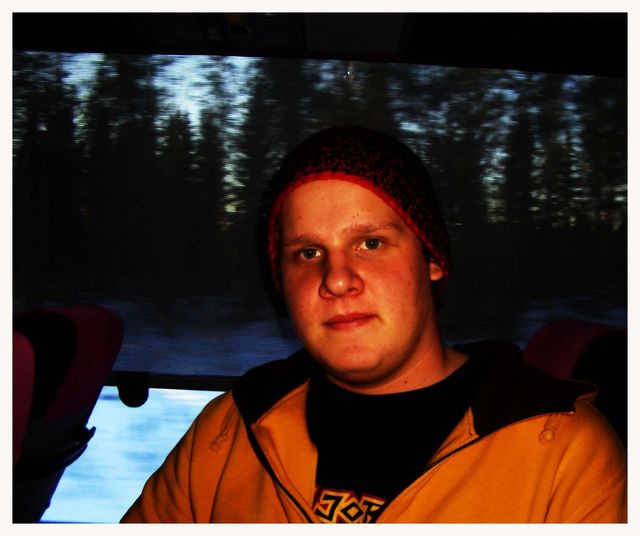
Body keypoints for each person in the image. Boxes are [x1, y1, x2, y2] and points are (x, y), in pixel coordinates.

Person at [121, 125, 626, 523]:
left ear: (432, 259)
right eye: (308, 252)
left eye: (370, 243)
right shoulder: (229, 429)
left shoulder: (566, 457)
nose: (336, 279)